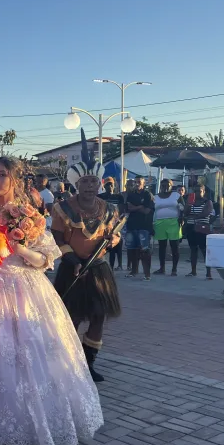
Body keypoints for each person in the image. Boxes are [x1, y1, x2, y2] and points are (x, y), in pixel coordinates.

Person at [0, 157, 103, 445]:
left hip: (23, 290)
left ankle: (31, 419)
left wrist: (18, 247)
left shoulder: (28, 214)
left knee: (29, 354)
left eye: (2, 175)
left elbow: (46, 260)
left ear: (15, 180)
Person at [52, 159, 122, 383]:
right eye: (85, 182)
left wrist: (112, 241)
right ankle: (68, 362)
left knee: (99, 316)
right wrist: (73, 260)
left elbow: (115, 236)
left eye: (94, 181)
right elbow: (57, 237)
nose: (90, 185)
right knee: (71, 318)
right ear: (77, 184)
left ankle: (88, 363)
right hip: (72, 269)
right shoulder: (63, 208)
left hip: (98, 270)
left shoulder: (110, 209)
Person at [124, 177, 154, 280]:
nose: (137, 184)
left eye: (139, 182)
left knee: (144, 250)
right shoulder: (131, 195)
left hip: (144, 226)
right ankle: (134, 271)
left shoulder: (147, 195)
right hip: (132, 225)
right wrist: (140, 206)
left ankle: (147, 274)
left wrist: (136, 208)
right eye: (135, 182)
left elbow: (147, 211)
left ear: (143, 183)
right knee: (132, 250)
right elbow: (129, 208)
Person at [153, 179, 183, 276]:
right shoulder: (155, 197)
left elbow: (183, 207)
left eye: (168, 185)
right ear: (160, 186)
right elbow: (151, 210)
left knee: (174, 246)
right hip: (159, 223)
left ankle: (174, 269)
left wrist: (182, 218)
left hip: (174, 222)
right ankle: (162, 268)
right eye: (163, 185)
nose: (165, 187)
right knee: (162, 246)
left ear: (171, 186)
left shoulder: (176, 196)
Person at [183, 183, 213, 279]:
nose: (197, 193)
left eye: (199, 191)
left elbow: (205, 214)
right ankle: (193, 271)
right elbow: (185, 213)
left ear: (204, 192)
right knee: (193, 249)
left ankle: (208, 273)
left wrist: (191, 216)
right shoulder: (191, 201)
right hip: (191, 227)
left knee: (204, 250)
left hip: (202, 228)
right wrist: (188, 204)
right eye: (195, 191)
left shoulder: (207, 202)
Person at [98, 178, 124, 270]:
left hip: (115, 223)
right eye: (107, 185)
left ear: (114, 185)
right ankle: (105, 265)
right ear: (104, 186)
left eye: (111, 184)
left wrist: (119, 222)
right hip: (103, 224)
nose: (109, 187)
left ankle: (117, 265)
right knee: (104, 245)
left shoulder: (118, 197)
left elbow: (121, 210)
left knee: (117, 244)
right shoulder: (100, 197)